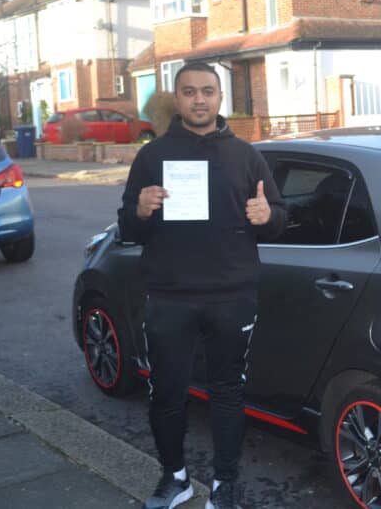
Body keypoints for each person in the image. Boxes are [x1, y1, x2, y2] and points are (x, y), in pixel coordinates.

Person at [118, 61, 285, 509]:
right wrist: (140, 209)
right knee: (166, 393)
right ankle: (175, 479)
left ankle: (224, 485)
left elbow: (280, 216)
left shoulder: (247, 156)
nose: (199, 99)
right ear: (178, 98)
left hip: (232, 295)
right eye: (189, 91)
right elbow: (127, 229)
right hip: (170, 296)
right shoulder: (152, 157)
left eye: (207, 91)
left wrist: (269, 217)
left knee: (228, 392)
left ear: (219, 98)